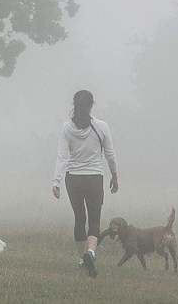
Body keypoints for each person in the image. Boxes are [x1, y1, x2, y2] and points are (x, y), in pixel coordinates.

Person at [52, 90, 119, 278]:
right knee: (94, 219)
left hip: (73, 178)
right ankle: (90, 252)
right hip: (94, 178)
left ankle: (82, 259)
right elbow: (110, 154)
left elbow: (62, 156)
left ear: (74, 104)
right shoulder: (102, 126)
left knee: (79, 218)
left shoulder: (66, 128)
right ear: (91, 105)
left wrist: (56, 181)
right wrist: (114, 175)